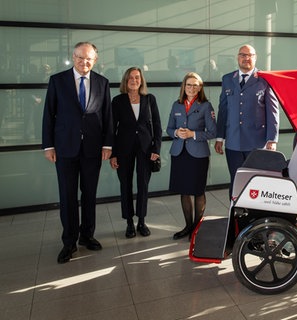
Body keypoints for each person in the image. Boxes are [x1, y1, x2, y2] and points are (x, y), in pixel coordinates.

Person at [42, 41, 113, 264]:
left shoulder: (102, 82)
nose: (84, 62)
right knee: (68, 195)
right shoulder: (58, 81)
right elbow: (48, 115)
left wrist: (107, 145)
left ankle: (87, 235)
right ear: (73, 58)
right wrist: (49, 145)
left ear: (96, 60)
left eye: (89, 58)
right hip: (64, 149)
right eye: (80, 58)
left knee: (89, 194)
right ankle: (69, 242)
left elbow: (107, 116)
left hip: (93, 149)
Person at [214, 44, 279, 198]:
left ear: (255, 58)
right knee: (236, 181)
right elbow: (223, 110)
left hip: (256, 143)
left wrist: (272, 139)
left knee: (257, 183)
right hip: (233, 142)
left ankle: (255, 218)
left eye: (249, 55)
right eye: (243, 55)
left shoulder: (265, 80)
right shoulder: (228, 79)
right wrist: (219, 137)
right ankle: (235, 216)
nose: (246, 58)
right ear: (238, 57)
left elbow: (273, 112)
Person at [110, 67, 161, 239]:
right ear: (125, 80)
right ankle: (129, 223)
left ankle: (141, 221)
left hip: (146, 150)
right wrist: (113, 154)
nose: (134, 80)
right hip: (123, 149)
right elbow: (111, 129)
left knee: (143, 185)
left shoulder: (149, 99)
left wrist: (156, 149)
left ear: (141, 80)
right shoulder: (117, 101)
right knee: (125, 185)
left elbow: (157, 126)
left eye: (137, 77)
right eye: (131, 77)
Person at [167, 72, 216, 240]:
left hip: (198, 155)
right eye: (189, 85)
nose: (192, 88)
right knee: (184, 191)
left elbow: (212, 132)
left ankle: (197, 228)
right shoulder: (176, 105)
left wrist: (192, 134)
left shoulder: (205, 106)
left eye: (195, 85)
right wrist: (176, 132)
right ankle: (188, 226)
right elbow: (168, 128)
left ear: (200, 87)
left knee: (198, 191)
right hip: (179, 153)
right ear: (184, 86)